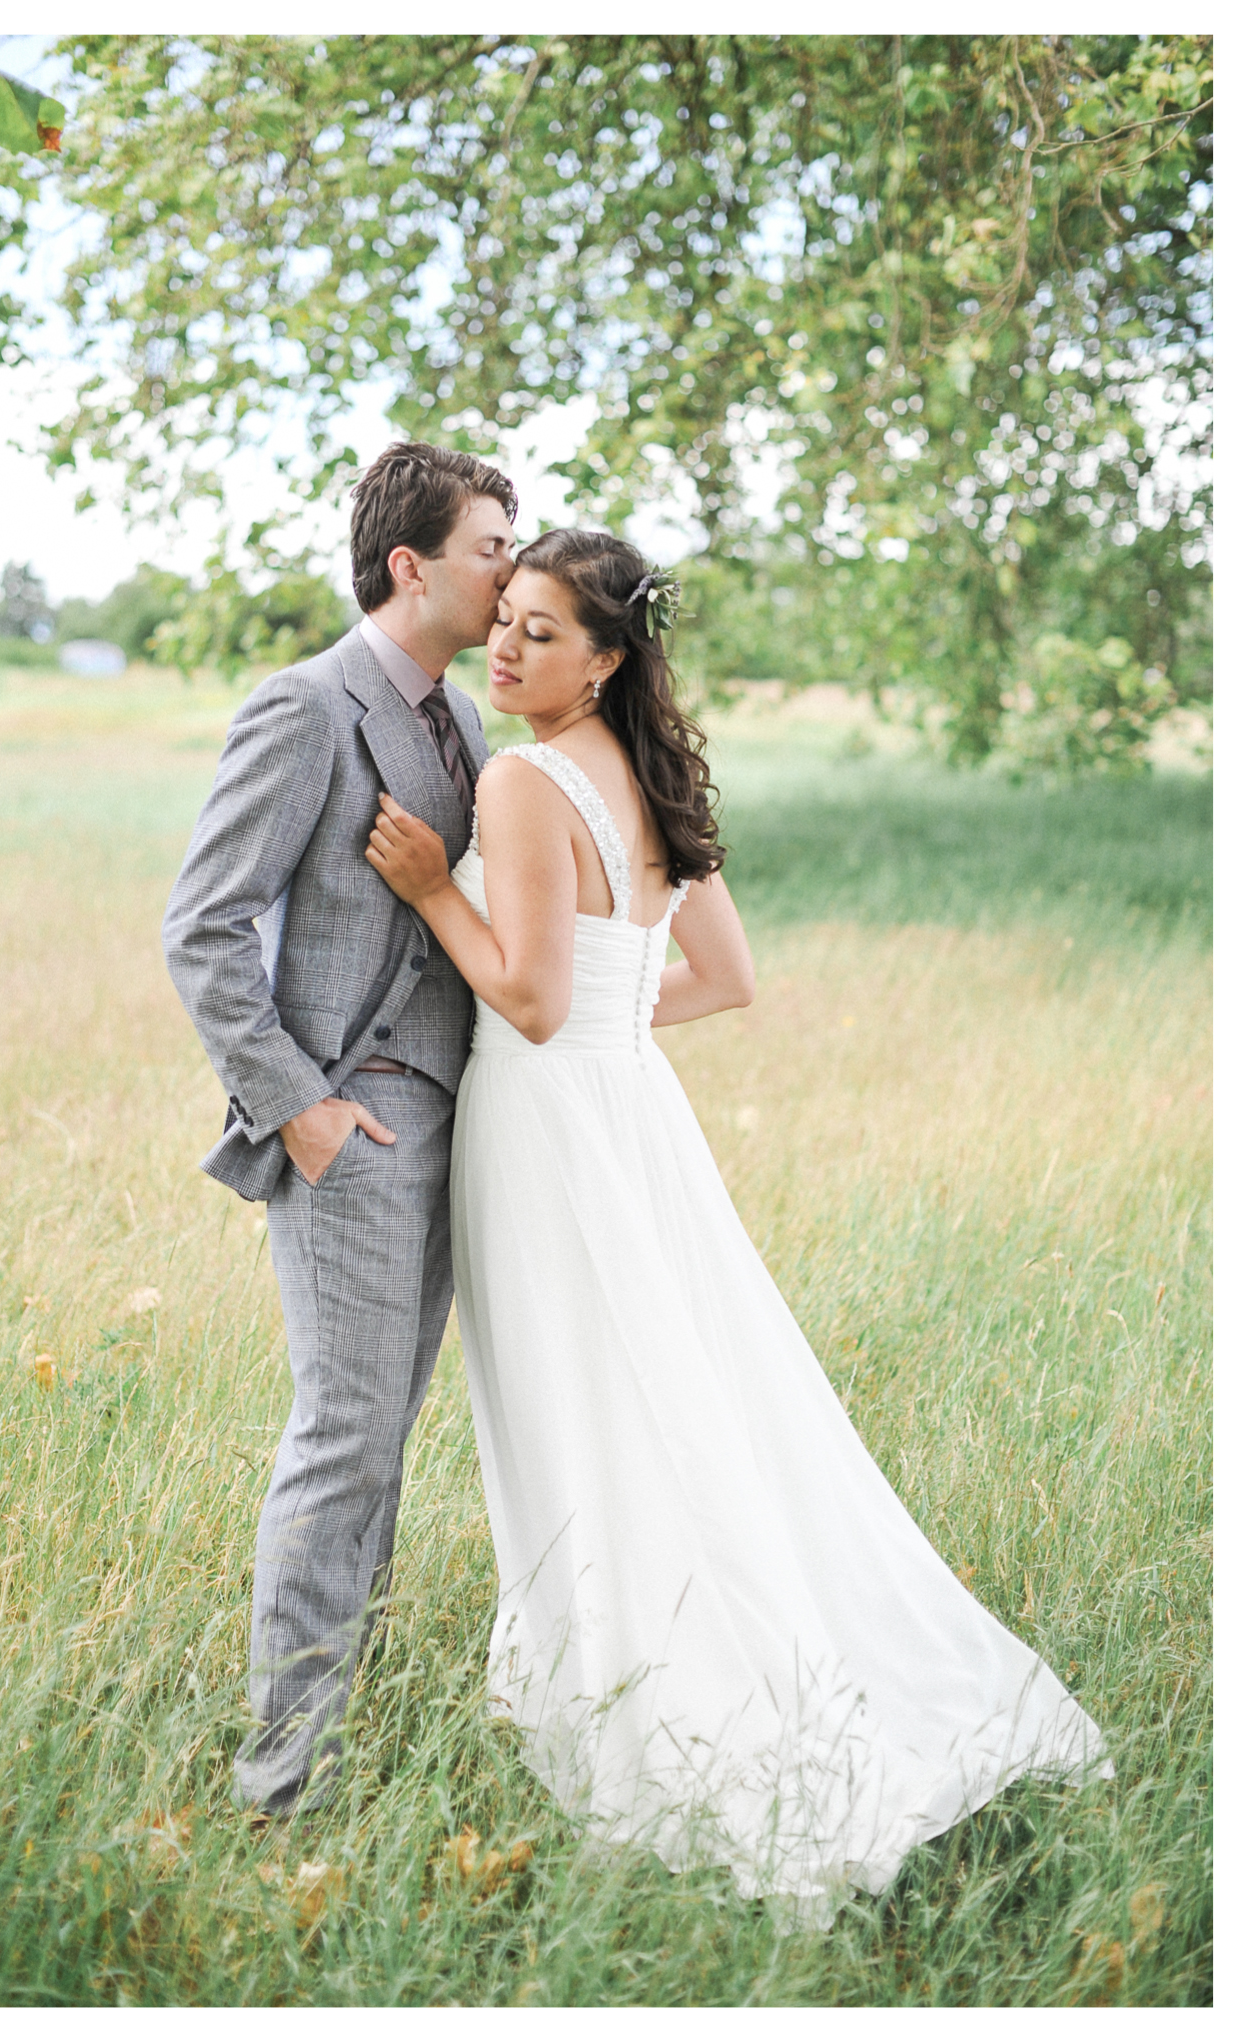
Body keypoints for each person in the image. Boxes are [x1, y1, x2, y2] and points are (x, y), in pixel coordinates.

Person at [360, 526, 1109, 1929]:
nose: (505, 649)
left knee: (584, 1416)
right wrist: (600, 1033)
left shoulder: (522, 781)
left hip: (540, 1126)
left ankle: (656, 1710)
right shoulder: (645, 775)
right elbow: (722, 978)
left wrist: (428, 891)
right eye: (502, 621)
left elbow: (521, 1002)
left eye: (538, 633)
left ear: (606, 659)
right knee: (676, 1398)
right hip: (629, 1113)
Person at [160, 440, 519, 1816]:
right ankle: (282, 1777)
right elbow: (199, 926)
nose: (507, 568)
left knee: (384, 1439)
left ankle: (329, 1731)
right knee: (343, 1438)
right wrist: (301, 1108)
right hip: (351, 1133)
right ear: (408, 564)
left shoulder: (462, 723)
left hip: (454, 1127)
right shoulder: (304, 707)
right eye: (489, 545)